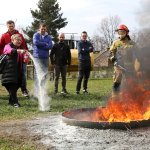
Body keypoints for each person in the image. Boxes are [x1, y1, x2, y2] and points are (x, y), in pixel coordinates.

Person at [0, 20, 29, 97]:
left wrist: (25, 56)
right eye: (9, 26)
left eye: (12, 26)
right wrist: (2, 57)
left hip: (20, 58)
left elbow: (24, 46)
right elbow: (2, 47)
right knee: (8, 75)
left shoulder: (20, 35)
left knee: (22, 74)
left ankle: (24, 90)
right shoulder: (4, 36)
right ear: (7, 26)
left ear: (14, 26)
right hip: (8, 60)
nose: (11, 28)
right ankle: (11, 92)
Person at [109, 24, 140, 92]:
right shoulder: (116, 42)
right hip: (118, 64)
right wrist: (112, 58)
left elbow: (138, 54)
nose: (120, 34)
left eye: (122, 32)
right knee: (118, 76)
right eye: (119, 32)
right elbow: (111, 52)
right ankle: (115, 96)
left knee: (130, 80)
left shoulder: (132, 43)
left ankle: (130, 96)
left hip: (129, 65)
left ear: (126, 33)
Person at [1, 34, 29, 107]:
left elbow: (24, 61)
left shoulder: (20, 49)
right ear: (12, 40)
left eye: (20, 40)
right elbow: (8, 51)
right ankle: (15, 102)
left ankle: (11, 102)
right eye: (17, 40)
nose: (19, 41)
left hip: (17, 74)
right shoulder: (8, 46)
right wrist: (17, 51)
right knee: (12, 88)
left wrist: (26, 57)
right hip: (9, 73)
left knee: (14, 88)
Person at [32, 23, 52, 95]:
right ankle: (37, 91)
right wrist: (45, 44)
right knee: (38, 73)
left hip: (46, 57)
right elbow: (36, 43)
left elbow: (50, 46)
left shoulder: (48, 37)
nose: (43, 30)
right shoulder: (36, 35)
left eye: (44, 29)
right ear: (39, 29)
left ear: (46, 29)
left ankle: (42, 90)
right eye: (42, 29)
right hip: (38, 57)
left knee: (45, 73)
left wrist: (42, 45)